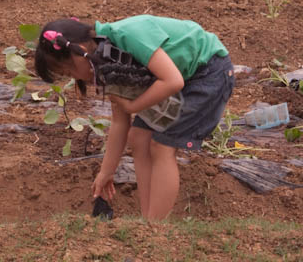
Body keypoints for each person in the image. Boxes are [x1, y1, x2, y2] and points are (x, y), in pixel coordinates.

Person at [34, 15, 234, 220]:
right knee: (139, 137)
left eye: (69, 70)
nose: (74, 77)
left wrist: (133, 106)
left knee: (162, 145)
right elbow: (120, 121)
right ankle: (147, 222)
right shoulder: (105, 60)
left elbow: (173, 81)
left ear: (81, 51)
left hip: (209, 72)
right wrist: (106, 172)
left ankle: (155, 227)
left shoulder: (129, 36)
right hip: (185, 75)